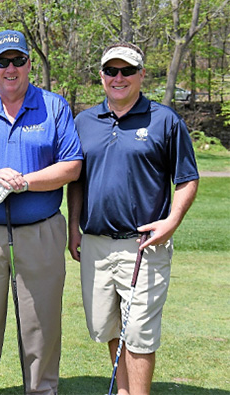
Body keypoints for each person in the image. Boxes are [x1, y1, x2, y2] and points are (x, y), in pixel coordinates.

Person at [67, 42, 199, 395]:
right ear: (101, 76)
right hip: (95, 244)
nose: (119, 77)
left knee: (138, 333)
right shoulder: (84, 121)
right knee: (110, 328)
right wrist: (73, 229)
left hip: (144, 245)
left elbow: (187, 179)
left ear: (142, 74)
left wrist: (172, 222)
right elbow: (77, 182)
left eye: (127, 70)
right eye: (111, 70)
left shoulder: (165, 120)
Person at [0, 30, 83, 395]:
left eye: (18, 60)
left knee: (41, 326)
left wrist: (23, 182)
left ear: (29, 63)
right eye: (3, 61)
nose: (10, 68)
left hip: (40, 230)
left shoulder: (54, 107)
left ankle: (42, 391)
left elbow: (72, 166)